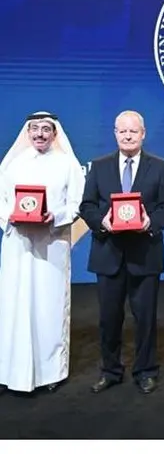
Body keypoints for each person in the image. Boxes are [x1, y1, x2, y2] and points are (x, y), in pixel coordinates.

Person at [79, 110, 164, 395]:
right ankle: (110, 370)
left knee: (145, 318)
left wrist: (150, 223)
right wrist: (103, 222)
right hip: (107, 254)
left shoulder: (159, 167)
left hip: (144, 253)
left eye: (133, 131)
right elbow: (87, 206)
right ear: (114, 133)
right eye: (122, 131)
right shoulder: (98, 167)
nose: (127, 135)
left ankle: (146, 371)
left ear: (143, 133)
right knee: (108, 319)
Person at [0, 111, 85, 394]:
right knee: (15, 307)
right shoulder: (12, 164)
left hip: (52, 246)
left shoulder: (67, 164)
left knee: (49, 308)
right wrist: (9, 216)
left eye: (45, 129)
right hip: (18, 245)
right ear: (27, 132)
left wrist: (54, 215)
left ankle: (51, 373)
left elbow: (76, 203)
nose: (39, 134)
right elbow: (1, 200)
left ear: (54, 133)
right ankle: (11, 372)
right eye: (34, 129)